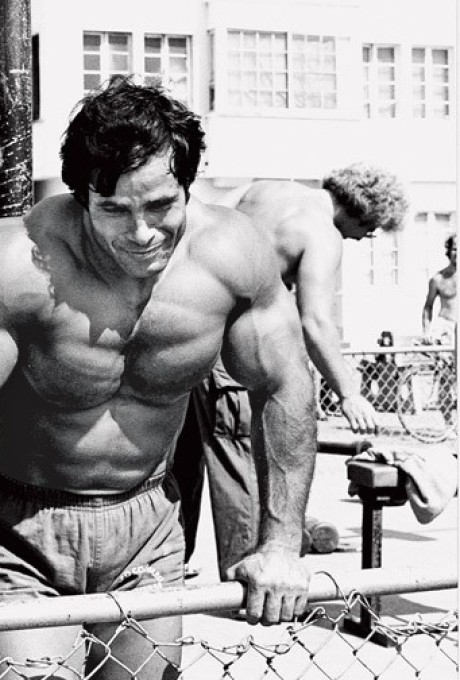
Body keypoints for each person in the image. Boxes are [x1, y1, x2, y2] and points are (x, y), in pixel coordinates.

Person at [0, 75, 316, 680]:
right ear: (79, 196)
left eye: (161, 206)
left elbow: (285, 384)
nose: (142, 232)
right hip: (27, 530)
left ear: (188, 186)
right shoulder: (15, 262)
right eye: (113, 209)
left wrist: (280, 544)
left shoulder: (232, 254)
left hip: (151, 525)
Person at [174, 162, 409, 576]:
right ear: (363, 212)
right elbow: (315, 322)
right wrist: (348, 392)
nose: (366, 238)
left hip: (187, 330)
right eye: (370, 230)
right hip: (234, 344)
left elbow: (199, 228)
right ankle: (250, 578)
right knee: (242, 455)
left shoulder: (262, 187)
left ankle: (169, 566)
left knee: (183, 457)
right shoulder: (322, 232)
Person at [421, 234, 456, 346]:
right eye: (455, 249)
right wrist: (426, 331)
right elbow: (428, 306)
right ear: (449, 251)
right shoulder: (438, 279)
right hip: (446, 328)